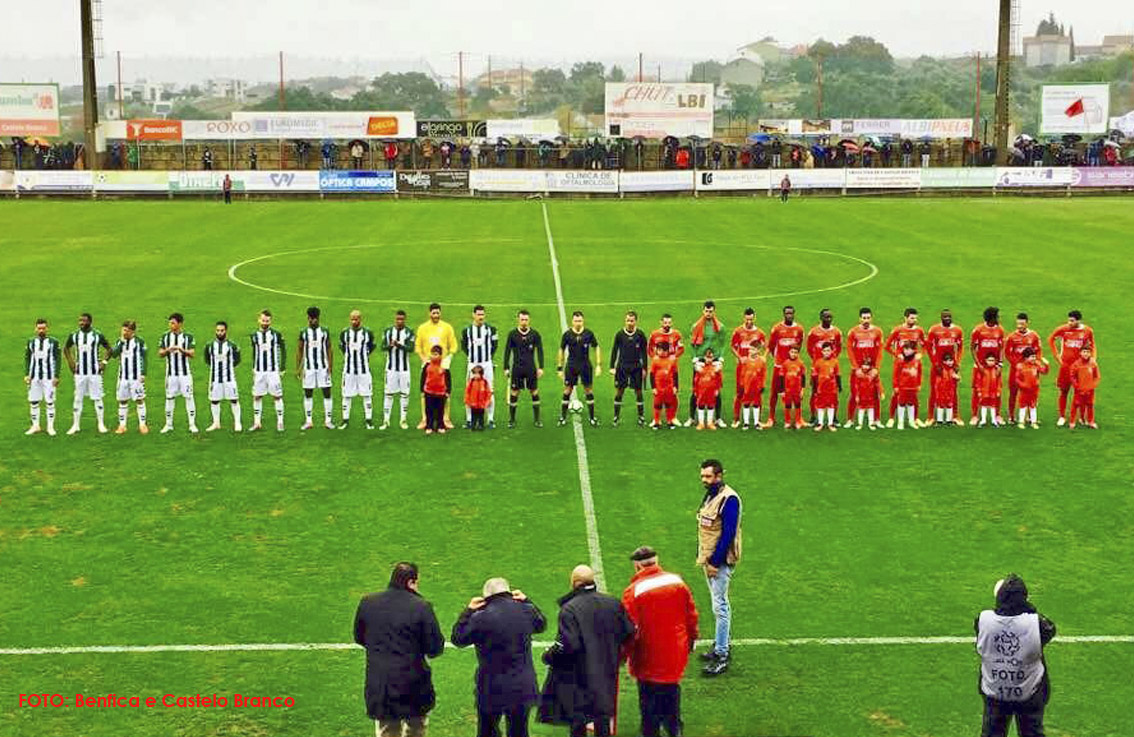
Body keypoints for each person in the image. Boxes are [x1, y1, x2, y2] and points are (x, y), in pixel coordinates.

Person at [538, 564, 635, 737]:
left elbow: (569, 645)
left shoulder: (570, 608)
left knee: (578, 720)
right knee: (602, 718)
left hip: (579, 675)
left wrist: (549, 655)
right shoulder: (613, 603)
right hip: (606, 670)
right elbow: (629, 631)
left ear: (574, 583)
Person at [354, 562, 445, 737]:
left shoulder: (368, 603)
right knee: (416, 729)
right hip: (414, 683)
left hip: (381, 684)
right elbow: (434, 648)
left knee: (387, 731)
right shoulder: (421, 606)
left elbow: (359, 637)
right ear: (411, 582)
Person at [451, 578, 547, 737]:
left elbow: (458, 638)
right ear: (509, 593)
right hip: (522, 686)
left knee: (487, 731)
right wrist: (527, 600)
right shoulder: (526, 610)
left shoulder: (480, 618)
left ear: (486, 598)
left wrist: (468, 611)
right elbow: (541, 624)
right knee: (519, 732)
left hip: (491, 687)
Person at [621, 546, 699, 737]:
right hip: (675, 652)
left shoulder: (634, 592)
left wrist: (624, 655)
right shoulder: (677, 581)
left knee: (648, 703)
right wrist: (691, 641)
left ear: (638, 566)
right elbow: (691, 616)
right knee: (671, 692)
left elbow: (630, 630)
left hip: (648, 656)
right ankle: (675, 729)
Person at [975, 575, 1055, 737]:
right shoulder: (1037, 624)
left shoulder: (982, 620)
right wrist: (1028, 609)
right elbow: (1049, 629)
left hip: (995, 690)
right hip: (1029, 692)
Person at [695, 459, 741, 675]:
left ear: (719, 475)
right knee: (719, 604)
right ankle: (721, 645)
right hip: (710, 558)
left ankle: (722, 654)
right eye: (703, 476)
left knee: (720, 606)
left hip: (719, 561)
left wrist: (714, 562)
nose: (704, 480)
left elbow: (728, 533)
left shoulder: (729, 499)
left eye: (708, 476)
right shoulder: (712, 494)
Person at [64, 312, 110, 435]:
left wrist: (104, 362)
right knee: (78, 398)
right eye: (80, 321)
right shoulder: (74, 335)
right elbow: (66, 348)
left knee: (97, 398)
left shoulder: (97, 335)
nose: (81, 323)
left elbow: (109, 349)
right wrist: (71, 362)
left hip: (95, 372)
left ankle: (101, 424)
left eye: (84, 321)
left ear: (90, 322)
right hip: (80, 373)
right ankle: (75, 425)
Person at [1047, 310, 1095, 427]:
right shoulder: (1064, 329)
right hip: (1066, 366)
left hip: (1081, 367)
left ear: (1079, 320)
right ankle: (1062, 416)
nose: (1069, 323)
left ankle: (1081, 417)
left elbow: (1092, 345)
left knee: (1081, 392)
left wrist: (1092, 359)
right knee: (1064, 391)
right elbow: (1051, 339)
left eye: (1072, 321)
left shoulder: (1087, 331)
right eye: (1069, 320)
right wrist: (1057, 357)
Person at [414, 303, 458, 430]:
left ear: (440, 313)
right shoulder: (423, 328)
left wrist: (448, 358)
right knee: (424, 392)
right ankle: (425, 419)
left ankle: (445, 418)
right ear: (429, 313)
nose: (436, 315)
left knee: (446, 392)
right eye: (433, 313)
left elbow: (453, 345)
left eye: (438, 313)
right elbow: (418, 346)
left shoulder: (447, 327)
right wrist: (424, 359)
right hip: (428, 365)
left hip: (443, 366)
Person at [558, 311, 601, 427]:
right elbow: (561, 349)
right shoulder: (567, 335)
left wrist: (598, 365)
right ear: (572, 321)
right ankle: (562, 417)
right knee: (567, 390)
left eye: (580, 321)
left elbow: (596, 346)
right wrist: (559, 367)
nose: (578, 323)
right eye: (576, 321)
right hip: (571, 365)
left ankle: (592, 417)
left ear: (583, 321)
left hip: (585, 365)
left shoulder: (588, 334)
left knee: (588, 390)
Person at [502, 310, 545, 428]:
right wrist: (506, 367)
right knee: (515, 393)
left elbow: (540, 351)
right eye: (522, 319)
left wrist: (541, 367)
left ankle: (537, 420)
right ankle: (511, 420)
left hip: (530, 367)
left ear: (529, 320)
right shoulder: (512, 334)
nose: (524, 322)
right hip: (517, 368)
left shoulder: (535, 334)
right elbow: (507, 351)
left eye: (526, 319)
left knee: (534, 392)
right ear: (518, 319)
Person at [884, 308, 925, 428]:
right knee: (897, 392)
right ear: (905, 318)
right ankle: (892, 418)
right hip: (900, 364)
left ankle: (915, 419)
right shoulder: (898, 330)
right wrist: (897, 355)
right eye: (912, 318)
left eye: (915, 318)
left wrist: (920, 355)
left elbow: (925, 345)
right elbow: (887, 346)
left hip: (913, 364)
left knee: (913, 393)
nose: (914, 320)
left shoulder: (919, 330)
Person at [295, 306, 334, 431]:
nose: (314, 321)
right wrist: (298, 368)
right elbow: (300, 349)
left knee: (327, 392)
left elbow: (329, 348)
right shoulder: (304, 332)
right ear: (308, 318)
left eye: (315, 319)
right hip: (309, 368)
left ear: (319, 318)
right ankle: (309, 421)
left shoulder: (325, 331)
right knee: (308, 393)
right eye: (311, 319)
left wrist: (330, 366)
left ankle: (328, 421)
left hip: (323, 368)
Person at [158, 314, 198, 435]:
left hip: (185, 374)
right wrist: (167, 350)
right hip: (171, 374)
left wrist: (181, 350)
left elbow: (192, 354)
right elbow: (160, 353)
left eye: (173, 323)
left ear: (180, 324)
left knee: (189, 397)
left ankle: (192, 424)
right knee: (169, 398)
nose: (171, 325)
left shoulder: (188, 337)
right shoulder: (165, 337)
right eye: (170, 323)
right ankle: (168, 424)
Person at [108, 320, 148, 435]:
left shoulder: (140, 342)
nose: (124, 332)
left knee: (139, 400)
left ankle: (142, 424)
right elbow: (114, 354)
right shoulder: (120, 342)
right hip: (123, 377)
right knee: (122, 400)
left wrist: (143, 373)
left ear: (132, 331)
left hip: (136, 377)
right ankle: (122, 425)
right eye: (123, 329)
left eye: (126, 330)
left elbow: (144, 358)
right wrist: (121, 342)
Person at [609, 311, 649, 427]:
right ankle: (616, 417)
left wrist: (645, 368)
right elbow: (614, 350)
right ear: (625, 321)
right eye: (628, 320)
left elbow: (644, 353)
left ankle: (641, 417)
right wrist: (612, 366)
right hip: (622, 367)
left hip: (636, 367)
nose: (630, 323)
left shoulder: (640, 334)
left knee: (638, 392)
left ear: (636, 321)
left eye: (632, 321)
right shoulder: (620, 335)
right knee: (619, 391)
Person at [767, 306, 805, 428]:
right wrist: (778, 359)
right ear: (784, 314)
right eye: (787, 313)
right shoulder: (777, 328)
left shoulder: (799, 329)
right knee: (774, 392)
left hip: (793, 366)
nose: (789, 315)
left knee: (797, 391)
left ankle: (799, 418)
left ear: (794, 314)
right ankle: (771, 418)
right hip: (779, 365)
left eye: (791, 313)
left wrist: (793, 359)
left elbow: (799, 346)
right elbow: (771, 346)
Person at [462, 305, 499, 429]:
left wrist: (488, 358)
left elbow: (495, 345)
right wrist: (472, 359)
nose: (481, 317)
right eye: (478, 314)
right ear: (473, 315)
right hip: (472, 364)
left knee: (490, 390)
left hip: (486, 363)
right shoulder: (466, 330)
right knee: (470, 390)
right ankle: (469, 419)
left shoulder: (491, 330)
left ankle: (490, 419)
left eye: (482, 314)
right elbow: (464, 346)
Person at [686, 302, 723, 426]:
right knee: (696, 390)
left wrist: (721, 359)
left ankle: (718, 418)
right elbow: (691, 344)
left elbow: (723, 343)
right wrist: (695, 359)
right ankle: (691, 418)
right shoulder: (696, 326)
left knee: (716, 389)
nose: (708, 313)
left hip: (714, 359)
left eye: (711, 311)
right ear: (703, 311)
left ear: (714, 311)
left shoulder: (719, 327)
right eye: (707, 311)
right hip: (701, 360)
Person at [729, 308, 766, 427]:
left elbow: (765, 347)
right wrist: (740, 357)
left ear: (754, 318)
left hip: (755, 367)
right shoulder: (738, 331)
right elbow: (733, 347)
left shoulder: (760, 333)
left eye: (751, 319)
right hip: (742, 367)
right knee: (740, 392)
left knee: (757, 393)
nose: (749, 321)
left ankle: (757, 420)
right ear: (744, 318)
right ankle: (736, 418)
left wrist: (763, 358)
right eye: (747, 319)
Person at [339, 310, 377, 430]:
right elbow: (342, 347)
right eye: (352, 319)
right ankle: (345, 420)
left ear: (360, 319)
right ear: (350, 319)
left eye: (356, 319)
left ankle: (369, 420)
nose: (354, 321)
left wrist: (364, 356)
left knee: (367, 394)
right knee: (346, 395)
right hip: (349, 370)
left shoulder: (367, 333)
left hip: (364, 370)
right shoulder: (345, 333)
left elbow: (371, 346)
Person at [926, 309, 964, 426]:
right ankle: (931, 417)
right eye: (945, 317)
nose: (947, 319)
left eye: (949, 317)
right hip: (938, 366)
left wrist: (957, 363)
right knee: (934, 391)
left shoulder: (957, 330)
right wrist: (935, 364)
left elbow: (960, 348)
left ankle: (955, 416)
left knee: (953, 391)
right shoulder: (934, 330)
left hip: (951, 366)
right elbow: (929, 348)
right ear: (941, 318)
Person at [250, 309, 286, 432]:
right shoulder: (254, 336)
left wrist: (282, 367)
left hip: (273, 371)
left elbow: (283, 350)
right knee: (257, 396)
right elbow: (255, 352)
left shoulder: (276, 335)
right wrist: (254, 367)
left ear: (271, 321)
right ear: (259, 320)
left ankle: (280, 422)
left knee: (277, 396)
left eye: (267, 321)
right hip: (259, 371)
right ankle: (257, 422)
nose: (265, 323)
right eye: (263, 320)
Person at [204, 320, 242, 432]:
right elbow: (207, 360)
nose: (220, 333)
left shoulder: (232, 346)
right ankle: (216, 423)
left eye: (222, 330)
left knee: (234, 399)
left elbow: (237, 360)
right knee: (214, 400)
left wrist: (228, 367)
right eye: (218, 330)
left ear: (226, 331)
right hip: (215, 378)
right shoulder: (209, 346)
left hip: (229, 378)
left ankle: (237, 423)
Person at [25, 318, 61, 436]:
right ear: (36, 329)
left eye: (43, 328)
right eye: (39, 328)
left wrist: (56, 376)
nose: (41, 330)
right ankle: (35, 426)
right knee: (34, 401)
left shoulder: (53, 342)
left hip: (49, 377)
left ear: (47, 329)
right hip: (34, 377)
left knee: (50, 402)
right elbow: (28, 358)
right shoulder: (31, 342)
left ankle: (50, 427)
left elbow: (58, 359)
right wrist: (27, 374)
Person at [970, 307, 1006, 425]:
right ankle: (975, 415)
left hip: (994, 367)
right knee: (977, 390)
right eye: (997, 316)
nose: (998, 318)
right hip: (980, 367)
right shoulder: (978, 330)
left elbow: (1001, 348)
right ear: (991, 318)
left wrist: (1000, 364)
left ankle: (997, 415)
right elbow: (972, 348)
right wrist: (978, 364)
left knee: (997, 391)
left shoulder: (1000, 330)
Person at [1004, 313, 1043, 421]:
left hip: (1031, 370)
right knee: (1013, 392)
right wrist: (1015, 364)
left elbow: (1038, 351)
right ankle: (1011, 416)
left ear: (1027, 323)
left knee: (1032, 393)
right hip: (1016, 369)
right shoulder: (1011, 337)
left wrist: (1036, 362)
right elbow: (1007, 353)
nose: (1019, 326)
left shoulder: (1034, 336)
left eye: (1022, 323)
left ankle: (1031, 416)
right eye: (1018, 324)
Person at [381, 310, 416, 430]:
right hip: (391, 369)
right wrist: (390, 346)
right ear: (395, 319)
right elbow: (382, 347)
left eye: (402, 319)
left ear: (405, 319)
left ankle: (403, 420)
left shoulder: (409, 332)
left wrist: (399, 345)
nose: (399, 321)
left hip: (404, 369)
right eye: (398, 319)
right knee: (388, 394)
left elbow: (411, 349)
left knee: (404, 394)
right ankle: (386, 420)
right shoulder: (388, 331)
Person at [806, 309, 842, 424]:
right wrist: (817, 360)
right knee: (815, 391)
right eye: (826, 317)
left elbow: (838, 348)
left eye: (830, 317)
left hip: (831, 367)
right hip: (817, 367)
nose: (829, 319)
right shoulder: (814, 332)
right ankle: (813, 416)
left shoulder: (836, 332)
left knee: (833, 393)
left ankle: (834, 417)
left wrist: (832, 360)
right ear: (821, 318)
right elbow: (809, 348)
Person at [1012, 348, 1049, 429]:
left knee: (1033, 406)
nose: (1034, 358)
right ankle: (1021, 422)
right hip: (1024, 391)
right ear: (1026, 357)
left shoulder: (1037, 365)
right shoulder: (1020, 366)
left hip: (1034, 390)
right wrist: (1023, 385)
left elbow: (1044, 372)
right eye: (1032, 357)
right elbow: (1017, 379)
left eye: (1034, 356)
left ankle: (1033, 422)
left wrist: (1046, 365)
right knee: (1023, 406)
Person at [810, 343, 841, 432]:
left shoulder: (835, 362)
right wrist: (815, 388)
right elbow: (815, 376)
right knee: (821, 406)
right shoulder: (818, 362)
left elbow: (838, 375)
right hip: (821, 388)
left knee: (831, 405)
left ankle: (830, 423)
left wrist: (839, 386)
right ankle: (820, 423)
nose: (826, 353)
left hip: (832, 388)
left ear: (832, 351)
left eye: (828, 351)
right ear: (822, 351)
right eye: (825, 351)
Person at [648, 342, 679, 429]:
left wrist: (676, 386)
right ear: (657, 350)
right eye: (660, 350)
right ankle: (657, 422)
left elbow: (675, 374)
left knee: (669, 404)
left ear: (668, 351)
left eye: (664, 350)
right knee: (657, 405)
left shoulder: (672, 360)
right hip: (658, 387)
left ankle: (670, 421)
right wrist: (653, 387)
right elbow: (652, 375)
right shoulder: (655, 360)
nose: (662, 352)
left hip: (669, 386)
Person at [1068, 345, 1100, 429]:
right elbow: (1072, 376)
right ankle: (1072, 421)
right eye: (1084, 352)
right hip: (1079, 389)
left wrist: (1093, 385)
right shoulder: (1076, 364)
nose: (1086, 354)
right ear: (1080, 353)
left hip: (1090, 390)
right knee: (1075, 405)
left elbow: (1097, 376)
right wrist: (1077, 386)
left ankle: (1091, 421)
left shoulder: (1093, 363)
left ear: (1090, 353)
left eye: (1088, 352)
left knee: (1090, 405)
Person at [737, 343, 767, 431]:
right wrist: (742, 384)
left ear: (758, 350)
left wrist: (762, 385)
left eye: (752, 349)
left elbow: (763, 374)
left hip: (757, 386)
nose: (750, 351)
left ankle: (756, 422)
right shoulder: (746, 361)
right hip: (747, 385)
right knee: (746, 403)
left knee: (756, 403)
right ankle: (746, 422)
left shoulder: (761, 361)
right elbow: (742, 373)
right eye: (750, 349)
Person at [893, 342, 922, 430]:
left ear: (914, 350)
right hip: (903, 386)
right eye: (905, 349)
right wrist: (896, 386)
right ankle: (900, 422)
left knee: (911, 403)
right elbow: (895, 374)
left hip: (913, 386)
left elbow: (920, 373)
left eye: (908, 349)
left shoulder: (917, 361)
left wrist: (919, 384)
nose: (906, 351)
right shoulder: (899, 360)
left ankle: (911, 421)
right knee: (901, 403)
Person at [422, 346, 450, 434]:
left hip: (441, 392)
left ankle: (440, 425)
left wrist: (448, 391)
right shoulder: (427, 365)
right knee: (429, 409)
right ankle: (429, 426)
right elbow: (423, 377)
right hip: (429, 391)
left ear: (440, 355)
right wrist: (422, 390)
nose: (434, 356)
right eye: (432, 354)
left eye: (436, 354)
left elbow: (448, 379)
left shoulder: (444, 366)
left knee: (440, 410)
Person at [850, 355, 883, 430]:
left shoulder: (873, 374)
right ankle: (860, 424)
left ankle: (871, 423)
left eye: (867, 365)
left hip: (870, 395)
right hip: (862, 395)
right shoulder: (858, 374)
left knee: (871, 409)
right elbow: (856, 386)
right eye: (864, 365)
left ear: (870, 366)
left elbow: (877, 383)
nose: (865, 367)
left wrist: (881, 392)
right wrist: (857, 395)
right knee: (861, 410)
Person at [778, 345, 807, 429]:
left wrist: (802, 389)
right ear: (789, 352)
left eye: (795, 352)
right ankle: (787, 421)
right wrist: (782, 391)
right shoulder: (785, 363)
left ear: (798, 353)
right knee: (788, 405)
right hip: (787, 389)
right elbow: (781, 378)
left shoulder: (800, 363)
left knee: (798, 404)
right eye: (792, 352)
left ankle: (798, 421)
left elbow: (803, 377)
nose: (793, 354)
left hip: (797, 389)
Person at [693, 349, 722, 430]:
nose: (709, 359)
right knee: (701, 405)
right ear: (704, 357)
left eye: (710, 357)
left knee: (711, 405)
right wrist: (695, 390)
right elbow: (696, 380)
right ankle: (701, 423)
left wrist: (717, 389)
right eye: (707, 357)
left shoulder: (716, 368)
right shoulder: (700, 368)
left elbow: (719, 380)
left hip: (711, 391)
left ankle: (710, 422)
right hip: (701, 390)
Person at [930, 352, 960, 427]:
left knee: (949, 404)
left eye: (951, 361)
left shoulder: (953, 370)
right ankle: (940, 420)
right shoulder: (940, 370)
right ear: (943, 361)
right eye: (947, 361)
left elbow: (957, 378)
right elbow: (938, 382)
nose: (949, 362)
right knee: (941, 404)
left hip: (950, 391)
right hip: (941, 391)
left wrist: (957, 377)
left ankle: (948, 420)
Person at [974, 353, 1004, 427]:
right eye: (989, 360)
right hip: (985, 391)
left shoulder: (997, 370)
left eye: (993, 360)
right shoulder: (982, 370)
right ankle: (983, 420)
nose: (991, 362)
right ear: (985, 360)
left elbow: (999, 382)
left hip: (993, 391)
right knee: (983, 405)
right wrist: (979, 391)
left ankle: (993, 420)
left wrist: (998, 390)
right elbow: (978, 381)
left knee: (993, 406)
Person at [465, 365, 492, 431]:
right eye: (474, 374)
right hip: (473, 403)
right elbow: (467, 391)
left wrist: (487, 402)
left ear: (481, 374)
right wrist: (467, 400)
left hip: (481, 404)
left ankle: (481, 426)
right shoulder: (471, 382)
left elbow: (488, 392)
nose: (475, 375)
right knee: (473, 416)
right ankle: (473, 426)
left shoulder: (484, 382)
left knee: (481, 416)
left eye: (477, 374)